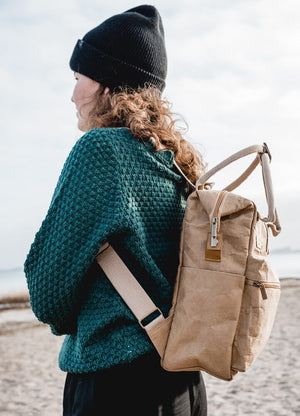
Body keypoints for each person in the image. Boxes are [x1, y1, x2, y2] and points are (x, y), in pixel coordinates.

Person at [24, 5, 207, 415]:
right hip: (184, 381)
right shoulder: (177, 160)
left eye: (78, 79)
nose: (72, 94)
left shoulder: (100, 151)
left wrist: (79, 320)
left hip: (116, 384)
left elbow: (47, 293)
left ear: (109, 84)